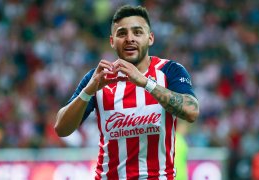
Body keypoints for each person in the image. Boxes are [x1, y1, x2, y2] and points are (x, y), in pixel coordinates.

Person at [55, 5, 199, 179]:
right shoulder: (98, 77)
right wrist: (88, 91)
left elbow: (191, 111)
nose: (129, 38)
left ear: (150, 38)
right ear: (112, 40)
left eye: (137, 32)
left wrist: (145, 83)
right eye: (122, 33)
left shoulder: (170, 71)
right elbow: (61, 129)